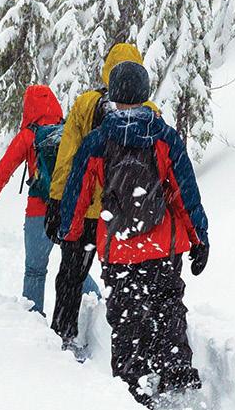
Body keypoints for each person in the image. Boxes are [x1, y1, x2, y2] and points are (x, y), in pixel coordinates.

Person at [57, 61, 210, 409]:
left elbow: (77, 193)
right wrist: (199, 237)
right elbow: (185, 192)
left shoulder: (98, 141)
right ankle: (175, 371)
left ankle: (133, 383)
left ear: (112, 95)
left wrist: (71, 231)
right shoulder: (164, 137)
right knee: (168, 306)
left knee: (126, 317)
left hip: (119, 248)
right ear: (145, 92)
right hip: (162, 246)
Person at [43, 43, 161, 354]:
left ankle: (64, 333)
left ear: (107, 69)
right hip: (126, 215)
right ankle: (133, 347)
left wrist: (57, 202)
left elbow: (67, 157)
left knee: (71, 275)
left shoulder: (85, 104)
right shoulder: (150, 112)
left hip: (85, 211)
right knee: (128, 281)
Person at [0, 85, 100, 316]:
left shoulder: (28, 136)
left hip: (38, 214)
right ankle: (98, 306)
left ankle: (33, 324)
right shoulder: (68, 130)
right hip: (69, 210)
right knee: (74, 266)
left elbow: (0, 175)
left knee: (35, 270)